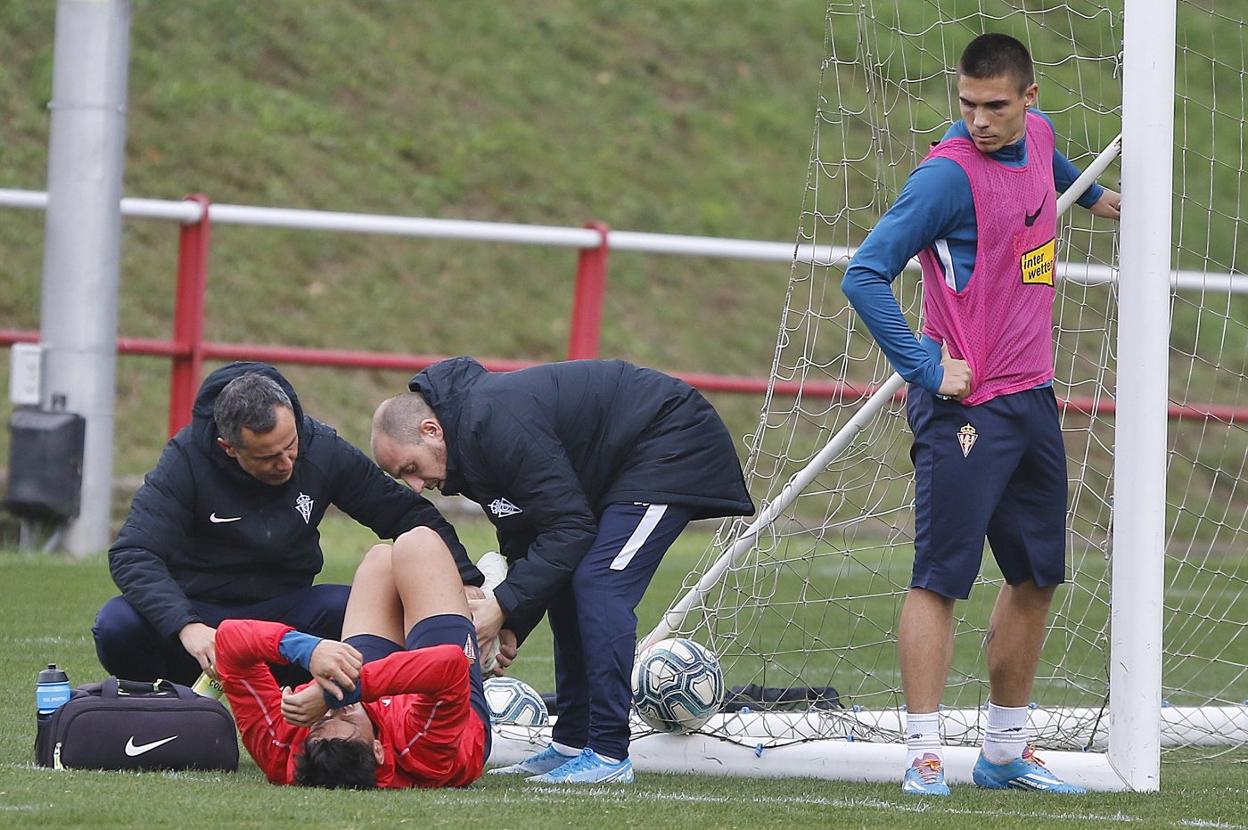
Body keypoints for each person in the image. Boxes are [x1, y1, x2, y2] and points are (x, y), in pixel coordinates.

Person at [841, 33, 1121, 796]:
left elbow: (1050, 168)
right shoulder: (944, 179)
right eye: (967, 105)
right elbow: (863, 275)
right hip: (963, 408)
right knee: (940, 579)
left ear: (1030, 100)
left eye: (995, 106)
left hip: (1033, 399)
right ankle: (925, 751)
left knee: (1036, 577)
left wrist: (1097, 198)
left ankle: (1004, 750)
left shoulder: (1041, 135)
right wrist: (929, 366)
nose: (979, 120)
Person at [370, 357, 755, 784]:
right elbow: (529, 538)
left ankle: (609, 754)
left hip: (668, 441)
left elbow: (571, 528)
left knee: (600, 581)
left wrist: (501, 606)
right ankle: (572, 741)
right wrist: (513, 622)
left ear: (431, 431)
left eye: (410, 469)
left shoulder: (493, 424)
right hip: (618, 466)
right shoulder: (468, 446)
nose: (416, 486)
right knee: (567, 582)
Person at [94, 361, 484, 686]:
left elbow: (408, 515)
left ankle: (356, 710)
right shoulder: (186, 460)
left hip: (286, 624)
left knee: (355, 608)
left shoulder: (321, 448)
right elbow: (133, 552)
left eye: (290, 445)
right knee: (118, 624)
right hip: (202, 618)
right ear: (228, 448)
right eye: (267, 458)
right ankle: (166, 706)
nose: (285, 463)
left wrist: (465, 581)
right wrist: (187, 627)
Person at [214, 526, 489, 788]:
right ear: (378, 750)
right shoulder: (422, 753)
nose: (334, 712)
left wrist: (308, 650)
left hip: (373, 697)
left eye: (319, 722)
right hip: (447, 705)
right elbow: (449, 665)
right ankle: (480, 617)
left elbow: (229, 639)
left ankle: (451, 605)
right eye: (347, 721)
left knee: (380, 561)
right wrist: (333, 695)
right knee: (417, 543)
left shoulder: (284, 746)